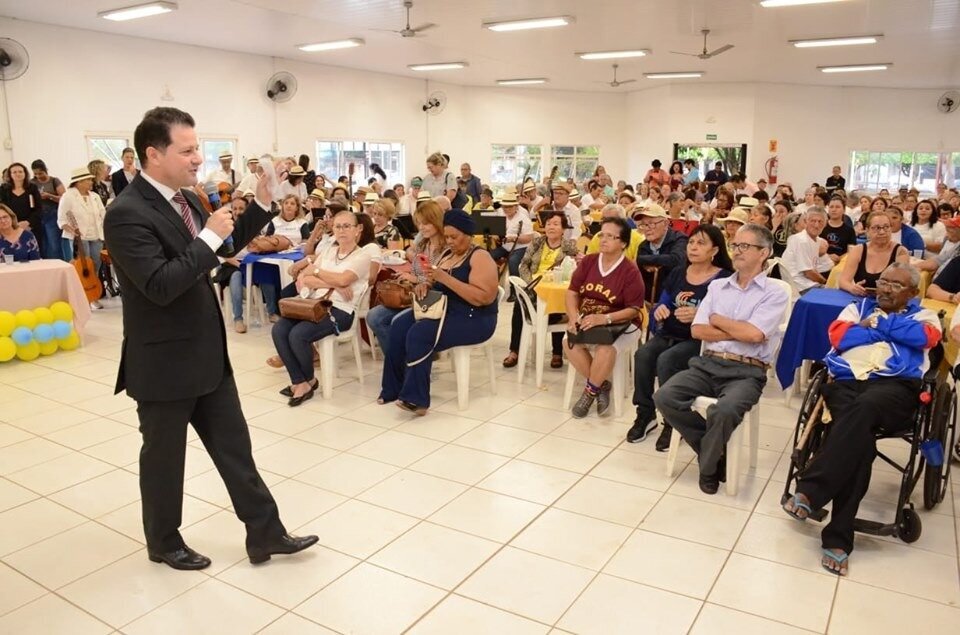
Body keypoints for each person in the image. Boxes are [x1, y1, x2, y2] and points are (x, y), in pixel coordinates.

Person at [102, 106, 316, 571]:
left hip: (205, 351)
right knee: (164, 459)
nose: (199, 158)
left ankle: (266, 532)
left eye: (197, 147)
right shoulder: (125, 214)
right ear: (153, 155)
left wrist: (260, 203)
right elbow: (159, 284)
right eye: (188, 150)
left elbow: (224, 245)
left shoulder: (189, 199)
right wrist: (206, 241)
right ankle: (163, 540)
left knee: (235, 449)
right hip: (162, 362)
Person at [783, 263, 940, 576]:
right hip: (846, 382)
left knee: (864, 409)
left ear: (911, 292)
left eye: (896, 285)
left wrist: (876, 325)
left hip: (894, 389)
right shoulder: (856, 308)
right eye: (883, 282)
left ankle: (811, 491)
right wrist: (876, 325)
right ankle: (838, 539)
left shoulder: (925, 315)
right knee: (861, 444)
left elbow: (925, 338)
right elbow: (839, 336)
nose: (885, 289)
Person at [654, 223, 789, 494]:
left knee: (725, 410)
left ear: (764, 252)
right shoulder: (717, 287)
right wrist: (734, 328)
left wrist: (717, 319)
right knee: (665, 396)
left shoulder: (775, 292)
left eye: (744, 246)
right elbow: (698, 330)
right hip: (708, 363)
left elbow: (754, 334)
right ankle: (714, 455)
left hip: (747, 370)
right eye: (735, 245)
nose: (736, 251)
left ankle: (708, 467)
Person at [379, 210, 499, 415]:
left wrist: (445, 279)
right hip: (443, 309)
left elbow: (483, 298)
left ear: (468, 234)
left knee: (420, 333)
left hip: (474, 318)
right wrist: (424, 285)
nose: (450, 241)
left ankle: (416, 399)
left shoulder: (480, 257)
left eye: (455, 237)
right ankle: (393, 387)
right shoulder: (447, 254)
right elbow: (433, 281)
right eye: (447, 236)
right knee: (399, 325)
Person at [629, 224, 733, 448]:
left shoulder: (723, 280)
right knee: (644, 354)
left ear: (715, 251)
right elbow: (663, 302)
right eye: (691, 242)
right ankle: (645, 413)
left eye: (701, 243)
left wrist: (700, 314)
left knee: (667, 360)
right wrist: (660, 310)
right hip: (669, 332)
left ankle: (672, 420)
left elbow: (727, 316)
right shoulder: (678, 272)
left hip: (699, 340)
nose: (693, 247)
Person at [271, 209, 373, 406]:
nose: (342, 231)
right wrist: (333, 284)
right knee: (280, 329)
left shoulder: (363, 256)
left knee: (298, 334)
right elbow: (305, 278)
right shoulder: (328, 251)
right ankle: (301, 381)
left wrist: (319, 273)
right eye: (337, 226)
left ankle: (306, 381)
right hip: (314, 305)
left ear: (357, 230)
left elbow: (344, 278)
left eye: (347, 226)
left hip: (341, 310)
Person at [566, 217, 645, 418]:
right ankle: (601, 385)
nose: (604, 239)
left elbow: (633, 310)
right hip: (589, 318)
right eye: (602, 234)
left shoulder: (630, 271)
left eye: (611, 236)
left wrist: (606, 319)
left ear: (623, 243)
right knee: (569, 342)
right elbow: (572, 291)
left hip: (622, 323)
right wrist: (573, 316)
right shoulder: (590, 261)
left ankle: (590, 391)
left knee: (606, 348)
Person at [366, 200, 446, 353]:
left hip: (434, 299)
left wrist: (414, 279)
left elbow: (440, 280)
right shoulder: (423, 244)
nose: (421, 228)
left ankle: (406, 358)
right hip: (415, 296)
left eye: (426, 223)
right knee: (374, 316)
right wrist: (407, 276)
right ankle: (398, 358)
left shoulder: (446, 248)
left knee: (396, 321)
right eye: (419, 223)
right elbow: (418, 272)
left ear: (436, 221)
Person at [503, 212, 579, 369]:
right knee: (519, 306)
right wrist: (530, 282)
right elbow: (523, 265)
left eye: (556, 224)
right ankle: (514, 350)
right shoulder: (537, 242)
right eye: (549, 223)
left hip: (557, 287)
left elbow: (577, 266)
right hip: (534, 286)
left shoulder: (569, 247)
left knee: (559, 305)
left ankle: (557, 352)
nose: (551, 227)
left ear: (563, 229)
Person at [58, 167, 107, 308]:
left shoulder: (95, 196)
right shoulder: (68, 196)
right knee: (82, 267)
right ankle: (82, 297)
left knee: (95, 265)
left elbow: (103, 215)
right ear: (78, 182)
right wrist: (71, 229)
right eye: (87, 180)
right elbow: (61, 220)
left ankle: (93, 295)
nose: (91, 182)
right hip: (79, 238)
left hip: (96, 235)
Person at [839, 210, 909, 297]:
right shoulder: (858, 250)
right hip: (861, 299)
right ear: (867, 231)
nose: (882, 232)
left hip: (890, 301)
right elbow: (843, 281)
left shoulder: (901, 252)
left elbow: (901, 284)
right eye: (877, 228)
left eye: (886, 227)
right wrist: (852, 288)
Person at [636, 203, 688, 302]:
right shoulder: (643, 246)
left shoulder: (679, 239)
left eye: (651, 223)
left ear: (665, 223)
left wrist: (641, 259)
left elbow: (676, 260)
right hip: (648, 302)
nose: (647, 228)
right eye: (643, 224)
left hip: (674, 301)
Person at [782, 207, 834, 294]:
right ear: (806, 222)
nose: (816, 225)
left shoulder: (817, 240)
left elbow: (829, 265)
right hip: (799, 286)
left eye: (820, 221)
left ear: (825, 224)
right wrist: (826, 283)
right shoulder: (801, 240)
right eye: (813, 221)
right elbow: (808, 273)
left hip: (809, 283)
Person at [487, 189, 535, 278]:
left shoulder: (524, 219)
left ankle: (515, 286)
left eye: (510, 207)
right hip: (506, 247)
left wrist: (514, 239)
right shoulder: (501, 216)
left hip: (521, 247)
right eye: (505, 207)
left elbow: (529, 238)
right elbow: (495, 231)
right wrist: (495, 235)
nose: (507, 209)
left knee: (513, 261)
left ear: (516, 207)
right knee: (488, 256)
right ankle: (492, 280)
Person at [0, 162, 43, 256]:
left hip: (31, 226)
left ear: (25, 173)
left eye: (20, 171)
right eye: (14, 172)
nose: (18, 174)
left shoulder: (32, 188)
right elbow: (2, 208)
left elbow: (39, 209)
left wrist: (28, 222)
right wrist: (14, 224)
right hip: (9, 227)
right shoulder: (4, 189)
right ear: (10, 175)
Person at [30, 159, 65, 260]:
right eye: (35, 174)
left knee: (54, 244)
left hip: (52, 214)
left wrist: (50, 196)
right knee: (41, 243)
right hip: (38, 215)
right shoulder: (32, 182)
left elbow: (64, 198)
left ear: (46, 170)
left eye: (40, 173)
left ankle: (57, 265)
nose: (38, 176)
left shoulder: (54, 181)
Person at [820, 196, 857, 262]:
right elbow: (814, 248)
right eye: (831, 207)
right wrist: (828, 256)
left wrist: (840, 258)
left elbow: (851, 251)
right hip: (822, 261)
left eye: (837, 207)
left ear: (844, 210)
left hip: (842, 262)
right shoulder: (821, 227)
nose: (834, 210)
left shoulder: (849, 230)